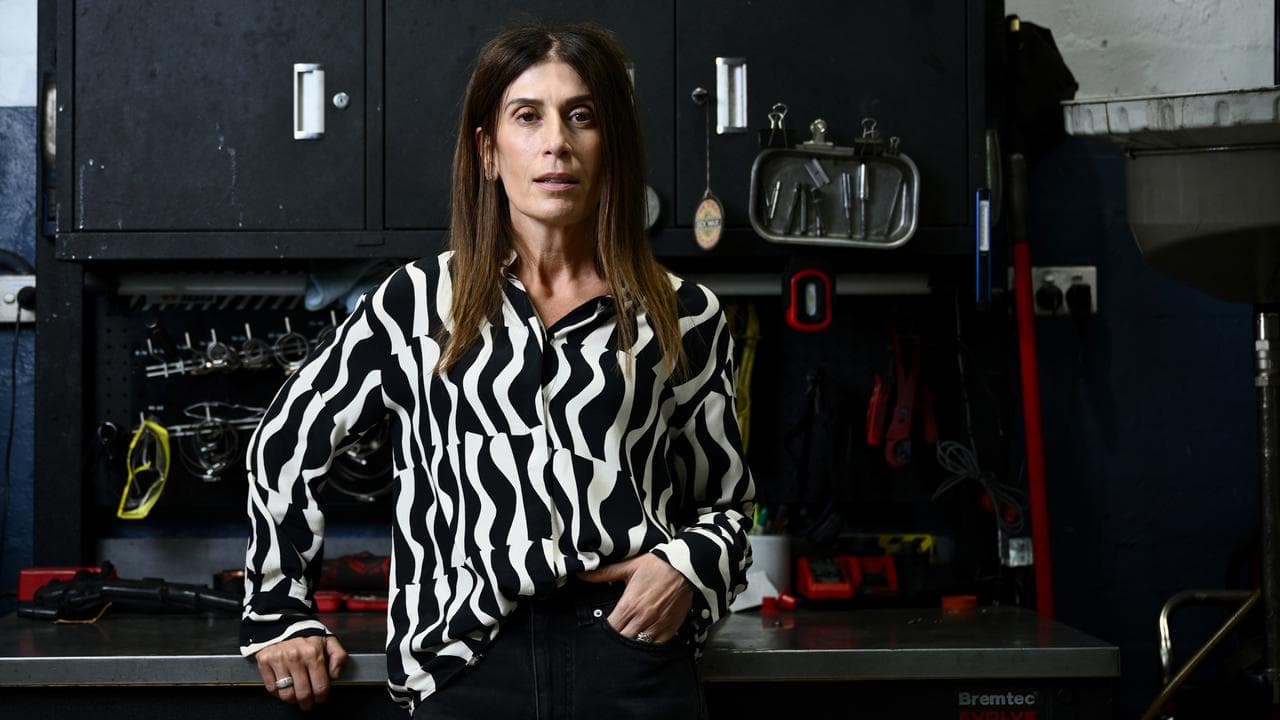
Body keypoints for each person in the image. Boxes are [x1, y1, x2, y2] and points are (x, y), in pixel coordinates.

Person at [240, 21, 755, 718]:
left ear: (611, 147)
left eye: (582, 117)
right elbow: (285, 442)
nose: (556, 143)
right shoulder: (415, 303)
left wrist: (686, 567)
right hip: (466, 663)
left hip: (631, 656)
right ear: (488, 151)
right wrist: (280, 611)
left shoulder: (683, 313)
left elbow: (725, 504)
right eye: (528, 116)